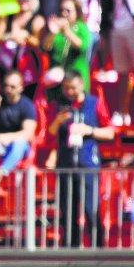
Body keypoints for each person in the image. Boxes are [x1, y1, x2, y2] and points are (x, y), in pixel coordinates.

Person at [48, 73, 114, 248]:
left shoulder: (95, 103)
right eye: (67, 88)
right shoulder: (59, 106)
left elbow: (110, 132)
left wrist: (89, 131)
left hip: (88, 165)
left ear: (82, 84)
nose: (70, 92)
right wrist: (58, 121)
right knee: (68, 210)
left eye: (74, 87)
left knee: (91, 209)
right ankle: (70, 248)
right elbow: (50, 133)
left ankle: (97, 248)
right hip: (66, 165)